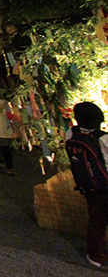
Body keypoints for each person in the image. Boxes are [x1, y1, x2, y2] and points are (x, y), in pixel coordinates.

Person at [66, 101, 108, 268]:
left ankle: (95, 255)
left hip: (89, 185)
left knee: (96, 220)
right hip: (105, 183)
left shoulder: (71, 134)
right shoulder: (103, 138)